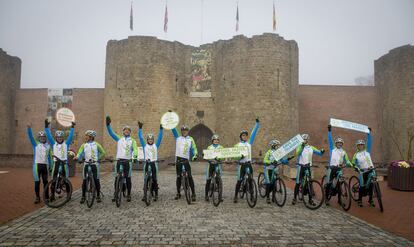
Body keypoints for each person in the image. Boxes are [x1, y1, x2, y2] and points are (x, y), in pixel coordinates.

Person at [106, 116, 138, 202]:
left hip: (128, 162)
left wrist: (134, 157)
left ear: (130, 132)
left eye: (128, 130)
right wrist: (108, 125)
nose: (126, 131)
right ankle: (115, 193)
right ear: (123, 132)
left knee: (128, 178)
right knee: (117, 178)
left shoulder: (133, 141)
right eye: (125, 130)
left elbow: (135, 150)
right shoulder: (119, 138)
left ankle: (129, 194)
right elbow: (111, 133)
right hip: (119, 161)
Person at [292, 134, 325, 205]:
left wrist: (322, 151)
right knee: (297, 183)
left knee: (310, 183)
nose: (305, 140)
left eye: (306, 139)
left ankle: (310, 200)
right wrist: (302, 146)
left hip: (308, 167)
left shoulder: (311, 147)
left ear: (308, 140)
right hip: (301, 167)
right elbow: (298, 153)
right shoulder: (299, 146)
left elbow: (319, 153)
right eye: (303, 139)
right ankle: (294, 198)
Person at [75, 130, 106, 203]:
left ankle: (98, 195)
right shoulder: (83, 145)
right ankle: (83, 196)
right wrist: (77, 157)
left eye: (87, 136)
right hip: (86, 164)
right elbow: (80, 153)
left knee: (96, 180)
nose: (85, 137)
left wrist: (98, 158)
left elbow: (103, 153)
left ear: (91, 137)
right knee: (85, 180)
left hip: (94, 164)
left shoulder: (97, 144)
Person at [233, 118, 260, 203]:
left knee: (250, 180)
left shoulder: (249, 143)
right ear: (240, 137)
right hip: (241, 165)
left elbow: (253, 133)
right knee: (239, 180)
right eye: (243, 135)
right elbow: (234, 155)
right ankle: (236, 195)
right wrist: (239, 157)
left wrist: (257, 124)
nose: (245, 137)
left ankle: (252, 195)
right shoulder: (237, 145)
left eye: (246, 135)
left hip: (248, 164)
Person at [44, 119, 75, 191]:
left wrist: (72, 127)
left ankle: (68, 193)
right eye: (58, 137)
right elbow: (48, 136)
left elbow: (70, 136)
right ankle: (52, 195)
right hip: (56, 163)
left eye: (61, 137)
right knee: (54, 179)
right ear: (56, 138)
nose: (59, 138)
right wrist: (46, 126)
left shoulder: (66, 144)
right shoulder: (53, 143)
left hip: (64, 163)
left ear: (63, 138)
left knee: (66, 179)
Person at [325, 125, 352, 206]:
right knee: (329, 183)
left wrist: (350, 164)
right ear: (336, 144)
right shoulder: (332, 149)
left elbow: (347, 160)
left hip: (339, 169)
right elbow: (330, 140)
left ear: (342, 144)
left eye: (341, 143)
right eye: (338, 143)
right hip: (332, 168)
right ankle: (326, 198)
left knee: (339, 184)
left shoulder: (344, 152)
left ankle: (339, 200)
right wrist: (329, 131)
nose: (339, 144)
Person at [138, 121, 164, 202]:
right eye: (149, 139)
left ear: (153, 140)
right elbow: (141, 138)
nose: (150, 140)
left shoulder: (156, 145)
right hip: (147, 164)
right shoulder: (144, 145)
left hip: (153, 164)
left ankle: (155, 194)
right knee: (145, 179)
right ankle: (145, 194)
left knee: (154, 179)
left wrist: (161, 129)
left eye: (151, 139)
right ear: (147, 140)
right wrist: (140, 129)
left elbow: (160, 137)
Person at [27, 123, 53, 204]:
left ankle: (46, 197)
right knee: (37, 182)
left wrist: (51, 166)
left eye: (44, 137)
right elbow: (31, 137)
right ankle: (37, 197)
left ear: (45, 138)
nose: (42, 138)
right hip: (37, 166)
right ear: (38, 138)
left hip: (45, 165)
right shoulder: (35, 144)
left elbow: (50, 158)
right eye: (41, 137)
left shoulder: (48, 146)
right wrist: (29, 129)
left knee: (45, 182)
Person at [172, 124, 198, 201]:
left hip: (186, 160)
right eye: (183, 131)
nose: (184, 132)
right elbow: (173, 130)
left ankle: (193, 193)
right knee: (178, 177)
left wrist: (195, 155)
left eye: (185, 131)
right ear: (181, 132)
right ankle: (178, 193)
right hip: (178, 160)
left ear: (188, 131)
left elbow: (194, 148)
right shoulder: (178, 138)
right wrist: (170, 119)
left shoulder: (191, 139)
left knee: (190, 176)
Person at [263, 139, 294, 203]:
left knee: (274, 184)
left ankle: (273, 197)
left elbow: (282, 161)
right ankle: (268, 197)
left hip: (275, 169)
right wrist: (270, 162)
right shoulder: (269, 152)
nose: (278, 147)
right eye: (277, 146)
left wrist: (288, 159)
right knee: (268, 183)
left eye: (278, 146)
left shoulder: (278, 153)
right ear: (273, 146)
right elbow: (265, 160)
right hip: (268, 169)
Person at [351, 127, 375, 207]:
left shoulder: (367, 151)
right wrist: (357, 168)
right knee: (362, 186)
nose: (361, 146)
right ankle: (360, 200)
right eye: (359, 145)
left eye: (362, 145)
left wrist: (368, 134)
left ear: (364, 145)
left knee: (372, 184)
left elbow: (369, 142)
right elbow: (353, 163)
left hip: (371, 169)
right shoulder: (356, 154)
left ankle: (370, 200)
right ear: (357, 146)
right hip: (362, 171)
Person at [204, 134, 224, 202]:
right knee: (208, 180)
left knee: (219, 180)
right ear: (212, 141)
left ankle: (220, 196)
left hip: (217, 165)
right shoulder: (209, 147)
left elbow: (223, 155)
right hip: (211, 165)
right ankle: (206, 195)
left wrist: (221, 159)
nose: (216, 141)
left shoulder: (221, 147)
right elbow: (206, 155)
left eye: (217, 140)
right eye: (215, 140)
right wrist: (207, 158)